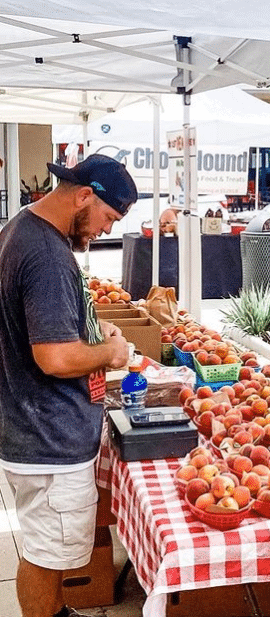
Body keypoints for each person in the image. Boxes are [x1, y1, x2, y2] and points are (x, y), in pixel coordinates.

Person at [0, 154, 136, 617]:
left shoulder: (23, 227)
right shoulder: (46, 254)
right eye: (108, 217)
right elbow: (54, 357)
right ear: (83, 196)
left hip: (32, 426)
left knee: (48, 548)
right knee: (44, 554)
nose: (105, 229)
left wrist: (97, 338)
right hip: (48, 438)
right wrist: (110, 353)